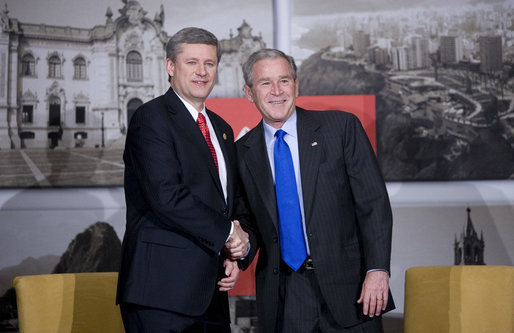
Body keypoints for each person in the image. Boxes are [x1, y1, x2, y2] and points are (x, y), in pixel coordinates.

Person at [236, 48, 395, 332]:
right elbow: (248, 221)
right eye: (265, 83)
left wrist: (377, 270)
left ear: (296, 86)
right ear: (249, 92)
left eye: (284, 81)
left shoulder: (341, 128)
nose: (277, 91)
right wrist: (238, 247)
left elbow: (373, 205)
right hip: (287, 293)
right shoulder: (242, 153)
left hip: (353, 289)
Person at [116, 27, 249, 333]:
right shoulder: (151, 118)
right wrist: (229, 233)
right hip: (160, 292)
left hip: (211, 292)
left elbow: (232, 201)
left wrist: (237, 251)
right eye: (192, 62)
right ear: (170, 67)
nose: (202, 72)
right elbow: (166, 196)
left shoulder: (222, 128)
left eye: (210, 63)